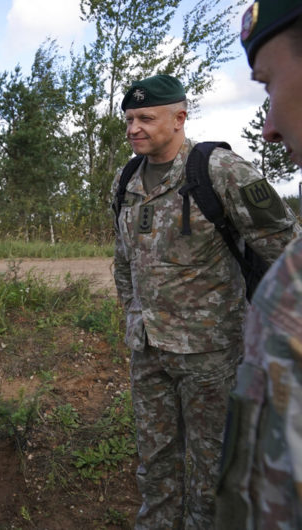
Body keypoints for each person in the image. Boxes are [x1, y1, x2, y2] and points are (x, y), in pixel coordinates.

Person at [112, 74, 300, 528]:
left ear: (179, 118)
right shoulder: (125, 179)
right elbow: (123, 260)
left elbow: (287, 252)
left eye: (146, 118)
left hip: (211, 354)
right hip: (148, 349)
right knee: (154, 462)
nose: (133, 127)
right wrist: (133, 315)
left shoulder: (219, 170)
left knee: (211, 466)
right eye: (129, 118)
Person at [215, 2, 302, 528]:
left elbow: (274, 234)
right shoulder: (126, 182)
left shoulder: (220, 169)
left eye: (268, 86)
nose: (267, 127)